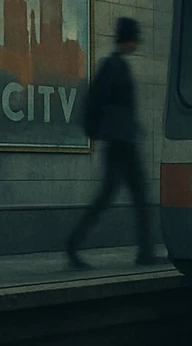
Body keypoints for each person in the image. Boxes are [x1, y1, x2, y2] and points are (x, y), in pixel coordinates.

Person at [67, 16, 157, 269]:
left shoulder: (117, 66)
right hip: (121, 143)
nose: (137, 43)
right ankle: (145, 252)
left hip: (121, 140)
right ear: (128, 40)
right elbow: (99, 101)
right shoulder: (113, 66)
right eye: (135, 38)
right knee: (137, 196)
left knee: (110, 197)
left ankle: (73, 244)